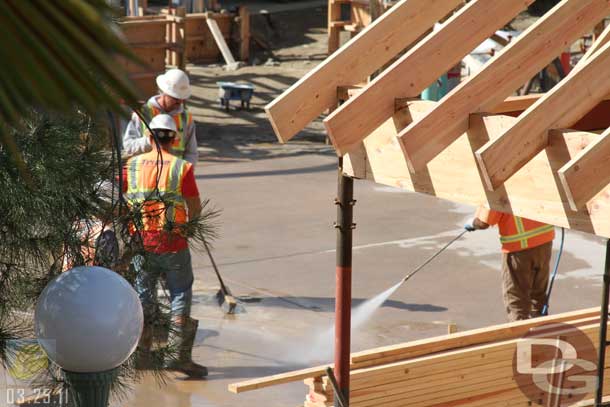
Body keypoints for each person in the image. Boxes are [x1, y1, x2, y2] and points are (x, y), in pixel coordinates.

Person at [123, 113, 206, 378]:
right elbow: (194, 204)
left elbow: (121, 202)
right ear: (174, 138)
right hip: (173, 242)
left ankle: (143, 355)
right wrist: (190, 228)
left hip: (141, 242)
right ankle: (178, 357)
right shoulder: (181, 167)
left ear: (148, 137)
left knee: (143, 295)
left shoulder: (130, 166)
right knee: (180, 291)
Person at [467, 206, 555, 322]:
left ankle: (520, 335)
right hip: (544, 242)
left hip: (519, 249)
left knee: (516, 301)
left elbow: (484, 221)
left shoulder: (499, 187)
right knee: (538, 297)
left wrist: (473, 223)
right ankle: (541, 334)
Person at [123, 68, 199, 165]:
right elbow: (129, 146)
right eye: (175, 98)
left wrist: (185, 172)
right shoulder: (143, 113)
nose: (180, 102)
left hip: (173, 176)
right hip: (146, 175)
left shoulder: (186, 119)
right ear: (164, 92)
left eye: (182, 98)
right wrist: (151, 140)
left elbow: (191, 153)